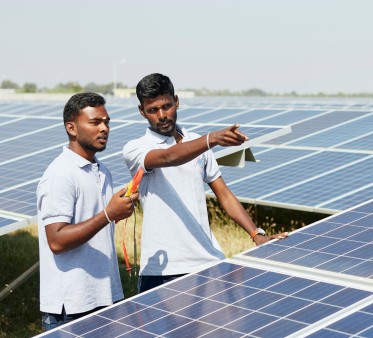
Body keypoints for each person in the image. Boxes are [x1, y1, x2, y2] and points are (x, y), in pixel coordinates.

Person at [123, 73, 287, 293]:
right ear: (142, 111)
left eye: (167, 106)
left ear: (177, 101)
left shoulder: (197, 143)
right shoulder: (136, 148)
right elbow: (169, 157)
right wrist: (211, 139)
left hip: (207, 262)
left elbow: (224, 194)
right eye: (153, 110)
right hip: (163, 271)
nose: (161, 115)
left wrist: (256, 234)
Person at [37, 93, 139, 330]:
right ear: (71, 128)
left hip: (105, 297)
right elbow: (57, 240)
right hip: (71, 308)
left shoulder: (102, 170)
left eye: (107, 122)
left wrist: (117, 211)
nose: (104, 128)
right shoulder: (60, 175)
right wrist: (108, 214)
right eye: (95, 122)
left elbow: (100, 222)